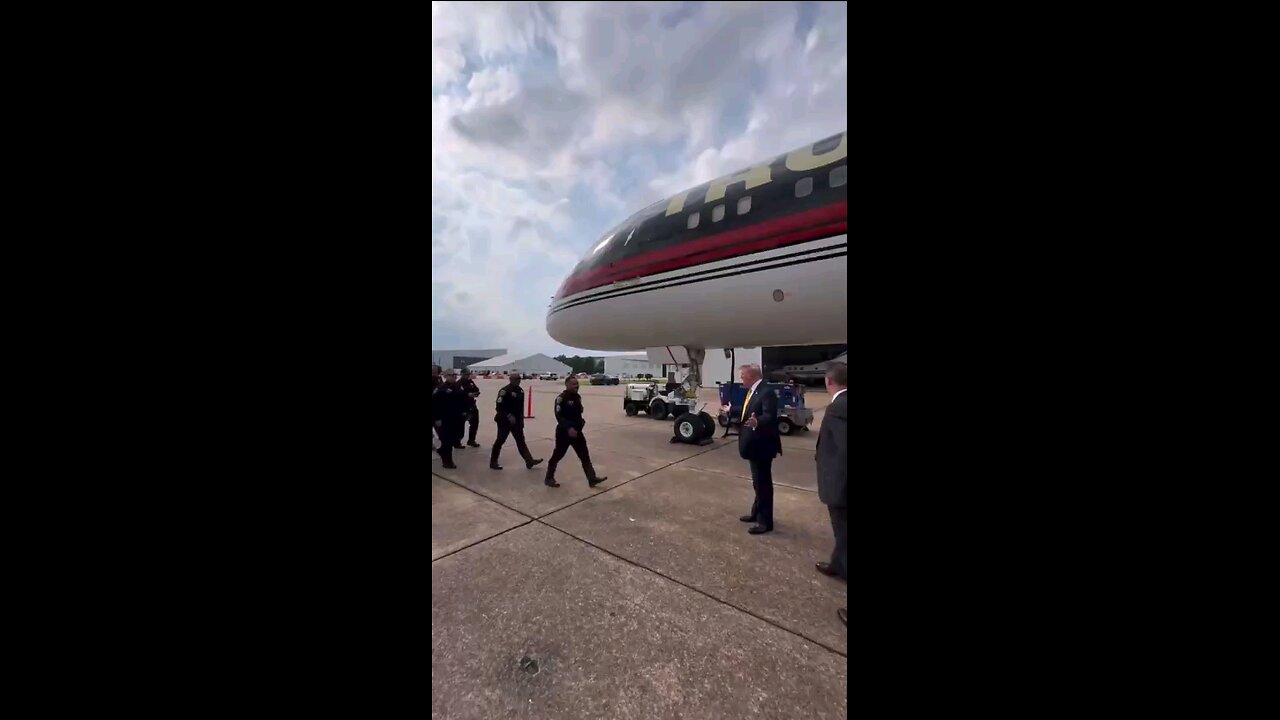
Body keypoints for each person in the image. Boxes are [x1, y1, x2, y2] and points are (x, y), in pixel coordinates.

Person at [725, 363, 780, 535]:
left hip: (762, 445)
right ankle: (756, 513)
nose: (741, 378)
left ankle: (765, 522)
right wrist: (731, 409)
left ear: (752, 376)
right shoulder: (754, 391)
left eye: (742, 376)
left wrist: (758, 422)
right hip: (754, 445)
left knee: (763, 484)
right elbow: (747, 411)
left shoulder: (766, 392)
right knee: (758, 483)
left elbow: (769, 415)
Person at [815, 363, 847, 589]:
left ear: (829, 381)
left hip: (841, 484)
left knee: (844, 534)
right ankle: (837, 564)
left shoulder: (838, 408)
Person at [545, 377, 607, 488]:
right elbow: (559, 416)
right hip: (564, 433)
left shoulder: (577, 397)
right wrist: (569, 428)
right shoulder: (561, 398)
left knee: (584, 455)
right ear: (567, 385)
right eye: (573, 384)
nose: (576, 386)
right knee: (558, 455)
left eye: (577, 384)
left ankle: (592, 478)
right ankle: (549, 478)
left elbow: (578, 412)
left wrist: (580, 422)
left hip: (577, 432)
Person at [490, 374, 543, 470]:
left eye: (519, 379)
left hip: (516, 422)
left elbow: (520, 409)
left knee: (520, 441)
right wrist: (508, 415)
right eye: (516, 379)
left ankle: (529, 461)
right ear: (510, 379)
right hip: (504, 421)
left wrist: (521, 421)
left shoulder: (520, 391)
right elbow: (499, 406)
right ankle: (493, 462)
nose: (518, 381)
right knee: (500, 440)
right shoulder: (504, 391)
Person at [433, 369, 466, 469]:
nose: (455, 377)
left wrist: (465, 411)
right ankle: (447, 462)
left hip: (454, 418)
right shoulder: (440, 389)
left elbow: (461, 400)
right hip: (443, 419)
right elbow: (434, 405)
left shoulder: (457, 387)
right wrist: (437, 418)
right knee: (446, 441)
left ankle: (442, 452)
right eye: (452, 375)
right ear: (446, 376)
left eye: (455, 375)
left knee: (451, 439)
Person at [458, 368, 482, 448]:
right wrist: (468, 395)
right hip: (462, 407)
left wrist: (475, 393)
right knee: (460, 425)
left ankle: (471, 440)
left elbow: (476, 389)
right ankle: (457, 441)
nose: (468, 376)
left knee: (475, 423)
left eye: (468, 374)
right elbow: (459, 395)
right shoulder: (458, 383)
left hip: (472, 405)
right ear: (462, 374)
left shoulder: (470, 382)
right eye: (466, 374)